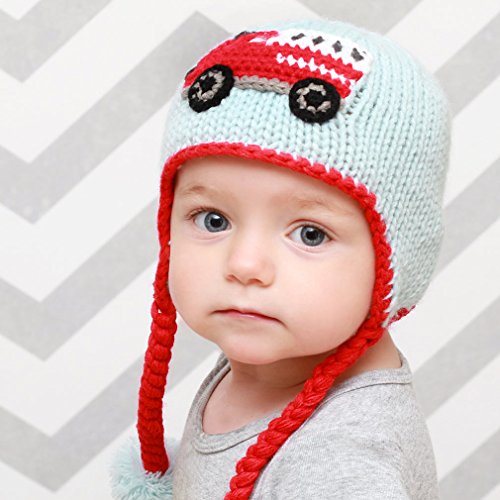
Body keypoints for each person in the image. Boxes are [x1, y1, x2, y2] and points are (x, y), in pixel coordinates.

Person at [109, 16, 451, 499]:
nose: (245, 265)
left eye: (310, 234)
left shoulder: (340, 463)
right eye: (213, 220)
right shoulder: (273, 358)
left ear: (394, 262)